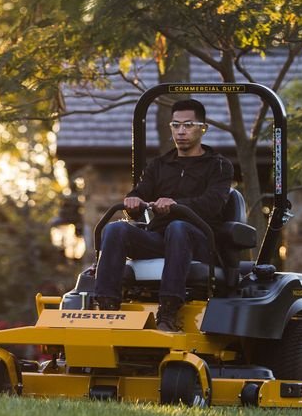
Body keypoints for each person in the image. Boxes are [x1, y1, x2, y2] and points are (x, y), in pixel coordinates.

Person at [93, 98, 234, 332]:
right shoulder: (160, 165)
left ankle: (168, 313)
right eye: (175, 125)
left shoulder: (218, 166)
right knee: (115, 228)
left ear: (203, 128)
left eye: (188, 125)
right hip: (160, 239)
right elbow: (140, 193)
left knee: (178, 227)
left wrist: (176, 204)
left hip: (200, 241)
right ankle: (106, 308)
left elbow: (213, 204)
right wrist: (133, 202)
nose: (181, 131)